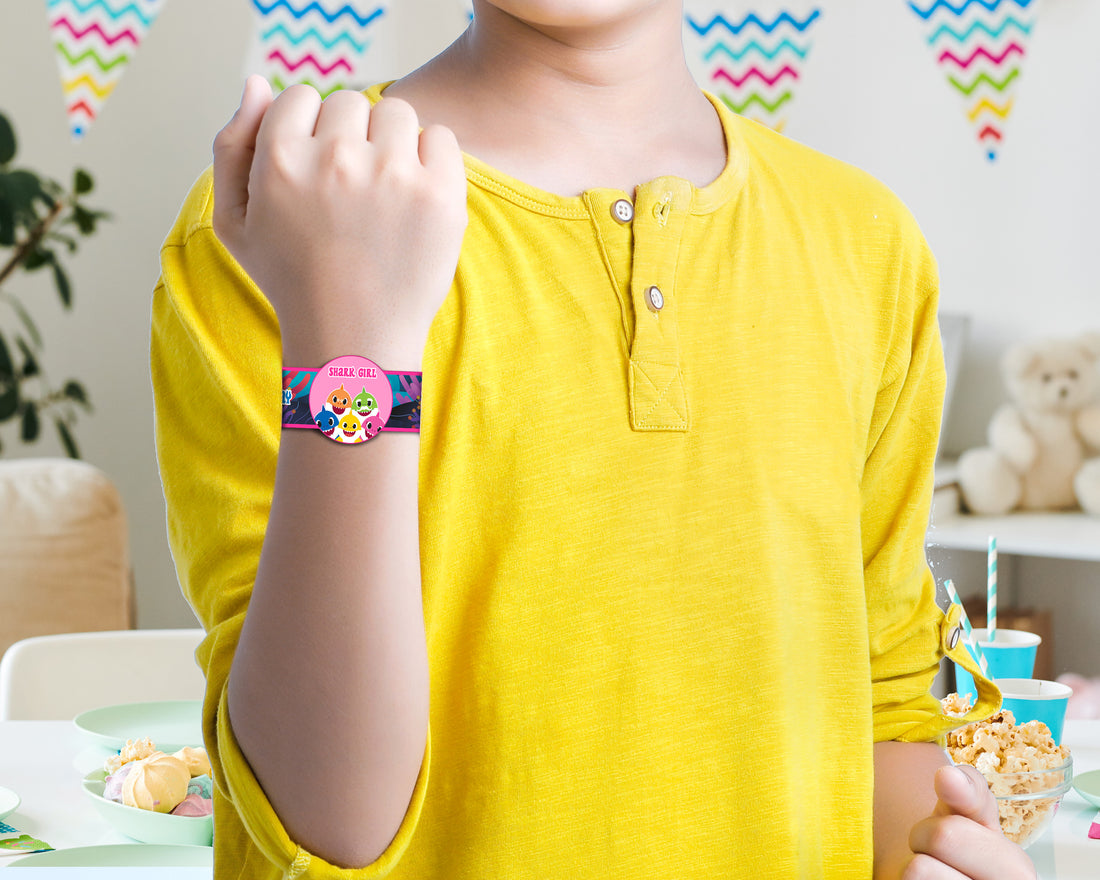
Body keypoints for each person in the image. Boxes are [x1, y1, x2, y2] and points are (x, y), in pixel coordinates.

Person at [150, 1, 1033, 877]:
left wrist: (932, 856)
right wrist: (355, 339)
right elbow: (327, 822)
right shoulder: (283, 216)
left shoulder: (864, 241)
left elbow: (881, 704)